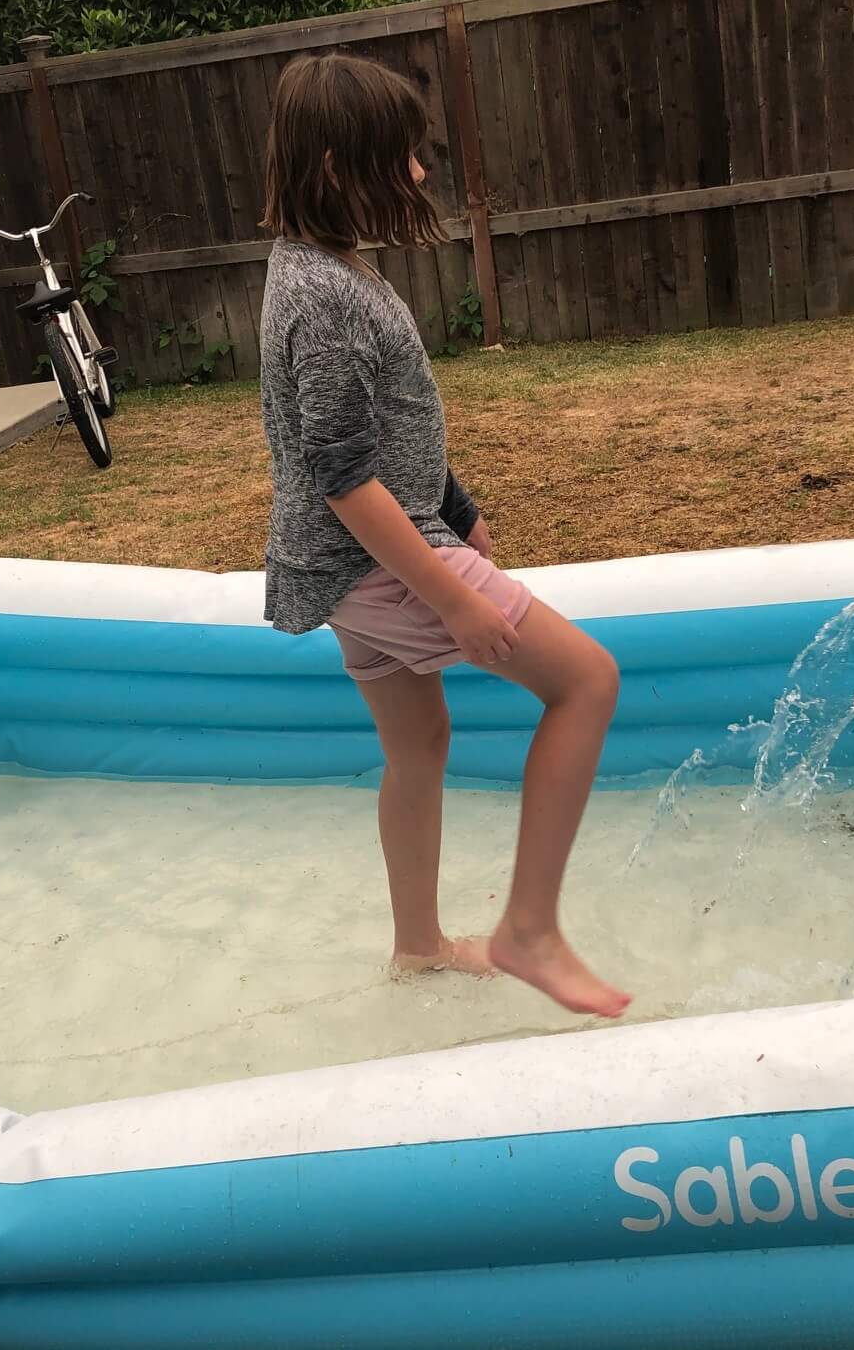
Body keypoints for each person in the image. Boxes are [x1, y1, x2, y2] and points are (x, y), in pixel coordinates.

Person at [258, 53, 629, 1019]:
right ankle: (529, 931)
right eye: (407, 157)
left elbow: (372, 428)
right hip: (378, 560)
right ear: (341, 168)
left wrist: (456, 504)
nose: (422, 175)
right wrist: (452, 591)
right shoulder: (327, 300)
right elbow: (343, 473)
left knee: (418, 743)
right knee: (586, 681)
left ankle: (419, 947)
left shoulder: (315, 270)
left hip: (347, 568)